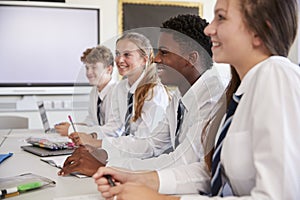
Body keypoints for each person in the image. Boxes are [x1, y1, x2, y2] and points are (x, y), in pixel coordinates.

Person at [93, 0, 300, 199]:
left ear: (259, 31)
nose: (209, 30)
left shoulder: (276, 74)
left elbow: (280, 196)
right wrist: (139, 179)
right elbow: (210, 171)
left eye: (221, 17)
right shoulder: (238, 92)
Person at [58, 14, 226, 177]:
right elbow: (152, 143)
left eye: (164, 52)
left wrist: (108, 166)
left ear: (190, 58)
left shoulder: (211, 99)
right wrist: (104, 152)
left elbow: (182, 162)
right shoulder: (181, 93)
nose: (156, 59)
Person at [58, 32, 170, 175]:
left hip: (150, 165)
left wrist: (98, 144)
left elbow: (145, 144)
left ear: (144, 59)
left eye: (127, 55)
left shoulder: (155, 93)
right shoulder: (121, 88)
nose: (120, 60)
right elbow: (114, 127)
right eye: (117, 54)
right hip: (128, 156)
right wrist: (91, 138)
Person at [55, 45, 116, 136]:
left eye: (94, 67)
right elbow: (91, 121)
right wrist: (73, 126)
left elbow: (112, 131)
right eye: (87, 68)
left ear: (109, 69)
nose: (88, 73)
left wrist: (73, 130)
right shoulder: (94, 92)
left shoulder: (118, 92)